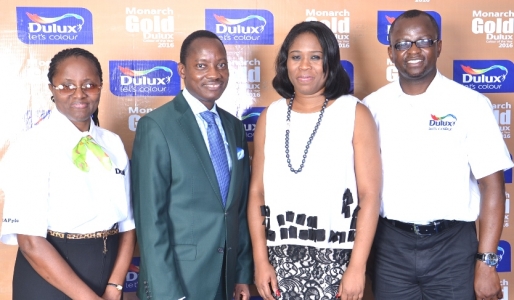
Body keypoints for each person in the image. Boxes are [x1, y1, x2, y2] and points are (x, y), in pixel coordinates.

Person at [363, 9, 513, 300]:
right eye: (403, 44)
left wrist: (487, 264)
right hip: (390, 247)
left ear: (439, 46)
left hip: (453, 247)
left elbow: (493, 186)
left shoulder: (471, 104)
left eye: (424, 41)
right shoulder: (372, 107)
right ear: (390, 53)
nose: (414, 50)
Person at [248, 21, 382, 300]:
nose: (304, 66)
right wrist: (261, 261)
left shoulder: (354, 114)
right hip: (279, 259)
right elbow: (256, 193)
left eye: (315, 57)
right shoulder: (269, 117)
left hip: (338, 259)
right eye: (296, 57)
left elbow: (370, 196)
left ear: (330, 63)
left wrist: (357, 267)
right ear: (285, 63)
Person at [0, 47, 136, 300]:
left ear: (101, 86)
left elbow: (128, 224)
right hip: (48, 280)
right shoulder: (31, 146)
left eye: (89, 84)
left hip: (107, 276)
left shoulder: (113, 143)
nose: (79, 94)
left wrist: (114, 287)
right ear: (51, 89)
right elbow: (30, 242)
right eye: (66, 86)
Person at [131, 30, 253, 300]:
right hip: (178, 282)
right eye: (202, 65)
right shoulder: (157, 127)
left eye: (221, 65)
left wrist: (242, 275)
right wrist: (168, 294)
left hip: (226, 278)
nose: (214, 73)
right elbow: (151, 219)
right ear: (182, 70)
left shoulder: (233, 126)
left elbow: (238, 209)